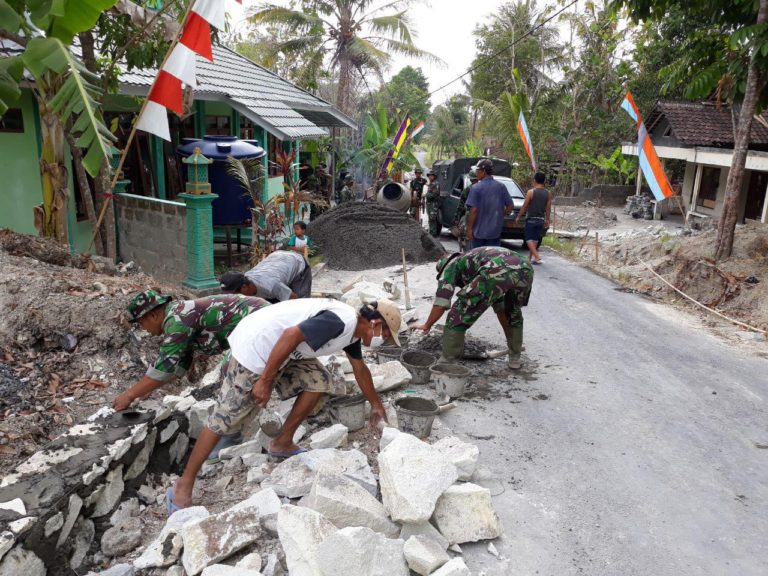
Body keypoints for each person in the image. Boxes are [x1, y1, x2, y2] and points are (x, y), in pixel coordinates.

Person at [169, 298, 402, 509]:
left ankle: (282, 442)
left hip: (284, 351)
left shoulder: (353, 333)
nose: (384, 341)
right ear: (375, 323)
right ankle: (185, 482)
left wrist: (376, 405)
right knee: (225, 418)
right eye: (387, 335)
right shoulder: (340, 321)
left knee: (319, 381)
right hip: (258, 348)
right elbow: (291, 334)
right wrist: (265, 380)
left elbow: (360, 369)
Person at [113, 290, 269, 411]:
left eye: (142, 323)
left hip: (260, 323)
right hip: (258, 323)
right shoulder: (178, 314)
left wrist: (129, 395)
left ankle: (227, 439)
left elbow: (164, 365)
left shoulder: (177, 321)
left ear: (153, 315)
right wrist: (147, 388)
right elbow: (179, 365)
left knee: (232, 383)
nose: (144, 329)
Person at [411, 246, 533, 370]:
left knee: (458, 314)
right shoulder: (472, 259)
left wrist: (427, 325)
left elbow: (441, 302)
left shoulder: (450, 265)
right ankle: (515, 358)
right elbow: (501, 309)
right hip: (525, 268)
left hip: (495, 269)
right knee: (512, 312)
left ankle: (447, 364)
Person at [220, 249, 311, 302]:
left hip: (296, 262)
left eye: (235, 295)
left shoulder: (271, 286)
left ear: (244, 287)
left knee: (301, 303)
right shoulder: (246, 279)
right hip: (276, 258)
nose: (234, 299)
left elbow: (293, 299)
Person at [465, 158, 513, 249]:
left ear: (483, 172)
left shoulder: (476, 188)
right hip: (495, 233)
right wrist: (501, 215)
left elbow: (474, 211)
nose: (476, 173)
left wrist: (469, 229)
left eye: (477, 170)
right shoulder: (501, 186)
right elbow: (510, 206)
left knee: (478, 259)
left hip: (478, 234)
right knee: (492, 260)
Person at [515, 171, 552, 265]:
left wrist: (518, 216)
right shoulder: (548, 193)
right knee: (535, 239)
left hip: (531, 219)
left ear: (535, 180)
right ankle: (530, 258)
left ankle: (537, 256)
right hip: (541, 220)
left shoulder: (531, 192)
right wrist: (547, 220)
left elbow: (525, 206)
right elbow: (548, 208)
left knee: (528, 239)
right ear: (544, 181)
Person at [452, 167, 479, 252]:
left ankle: (468, 253)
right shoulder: (483, 188)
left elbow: (460, 206)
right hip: (481, 217)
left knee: (467, 236)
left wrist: (456, 219)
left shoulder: (467, 190)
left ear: (470, 179)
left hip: (469, 216)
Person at [425, 169, 441, 237]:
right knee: (430, 219)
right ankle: (431, 232)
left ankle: (433, 234)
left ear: (434, 176)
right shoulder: (431, 184)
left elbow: (435, 194)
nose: (430, 177)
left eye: (431, 176)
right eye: (429, 176)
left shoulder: (436, 184)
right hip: (429, 204)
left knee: (432, 219)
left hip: (433, 204)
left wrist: (427, 195)